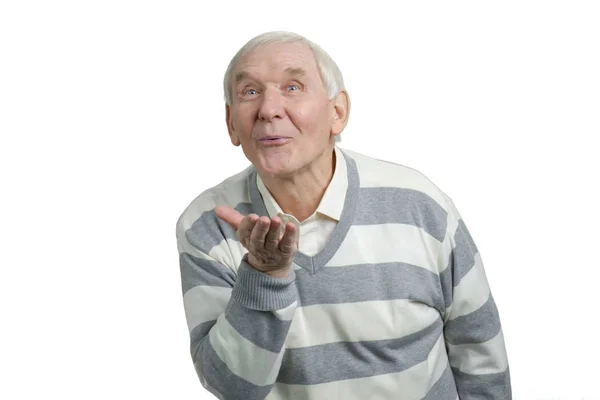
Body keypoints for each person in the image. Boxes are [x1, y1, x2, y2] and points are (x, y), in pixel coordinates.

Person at [175, 31, 511, 400]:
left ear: (337, 113)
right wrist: (263, 276)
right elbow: (232, 387)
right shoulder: (207, 224)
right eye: (250, 92)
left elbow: (479, 352)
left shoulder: (418, 204)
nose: (269, 109)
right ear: (231, 124)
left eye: (292, 87)